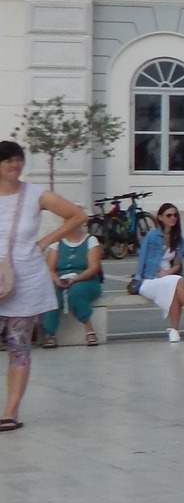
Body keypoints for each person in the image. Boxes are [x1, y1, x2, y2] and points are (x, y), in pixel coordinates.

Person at [0, 140, 86, 427]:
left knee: (19, 344)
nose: (15, 165)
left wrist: (45, 241)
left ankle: (10, 412)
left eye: (18, 159)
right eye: (8, 160)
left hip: (25, 277)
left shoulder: (35, 195)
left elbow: (77, 215)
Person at [136, 203, 184, 342]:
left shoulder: (178, 239)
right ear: (160, 217)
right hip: (149, 279)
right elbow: (142, 258)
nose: (173, 218)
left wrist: (168, 272)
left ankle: (174, 332)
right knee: (177, 282)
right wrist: (138, 278)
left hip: (168, 277)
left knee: (175, 285)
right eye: (169, 215)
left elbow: (178, 264)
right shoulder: (151, 236)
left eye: (175, 215)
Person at [40, 228, 103, 347]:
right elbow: (49, 268)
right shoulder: (57, 243)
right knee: (51, 293)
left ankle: (89, 329)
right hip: (61, 279)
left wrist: (76, 278)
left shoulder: (91, 240)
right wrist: (57, 280)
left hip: (86, 280)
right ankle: (50, 333)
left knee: (76, 291)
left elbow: (94, 267)